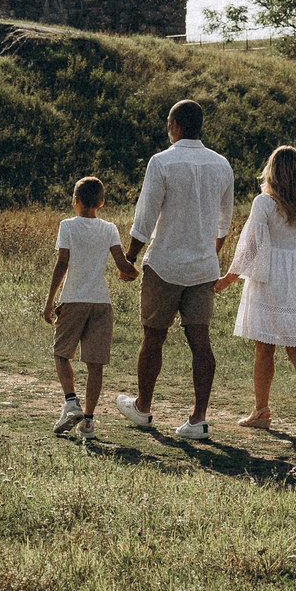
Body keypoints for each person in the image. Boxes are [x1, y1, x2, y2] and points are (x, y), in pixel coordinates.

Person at [117, 99, 236, 443]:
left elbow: (145, 217)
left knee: (153, 336)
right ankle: (198, 418)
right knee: (200, 340)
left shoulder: (162, 162)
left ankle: (143, 406)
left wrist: (130, 259)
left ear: (176, 126)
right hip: (202, 268)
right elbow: (224, 222)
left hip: (165, 264)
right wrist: (209, 253)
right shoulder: (221, 165)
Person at [219, 144, 296, 435]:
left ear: (271, 171)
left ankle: (261, 410)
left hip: (270, 276)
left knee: (264, 347)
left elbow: (251, 246)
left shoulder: (265, 203)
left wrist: (228, 278)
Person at [40, 174, 137, 440]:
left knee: (61, 354)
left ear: (76, 200)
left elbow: (62, 264)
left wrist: (50, 301)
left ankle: (71, 402)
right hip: (101, 302)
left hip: (73, 299)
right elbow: (122, 266)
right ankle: (89, 423)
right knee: (95, 364)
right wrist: (133, 270)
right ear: (102, 202)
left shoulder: (67, 226)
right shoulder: (109, 229)